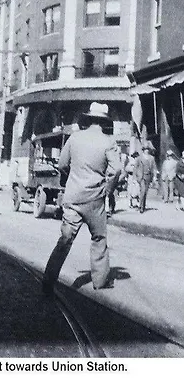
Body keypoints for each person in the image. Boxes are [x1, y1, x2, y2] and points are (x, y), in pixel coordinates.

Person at [42, 102, 121, 294]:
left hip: (73, 198)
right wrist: (108, 189)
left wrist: (73, 178)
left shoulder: (75, 138)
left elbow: (62, 164)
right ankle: (100, 281)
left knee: (65, 239)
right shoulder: (109, 142)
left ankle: (48, 281)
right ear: (104, 121)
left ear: (89, 118)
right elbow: (117, 169)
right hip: (95, 199)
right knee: (99, 238)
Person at [134, 143, 158, 213]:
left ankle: (143, 206)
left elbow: (154, 168)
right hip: (141, 176)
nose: (146, 151)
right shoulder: (139, 158)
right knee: (143, 190)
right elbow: (135, 168)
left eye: (147, 149)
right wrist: (134, 178)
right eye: (145, 149)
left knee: (145, 192)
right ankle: (140, 206)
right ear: (143, 150)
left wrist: (155, 176)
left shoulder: (151, 158)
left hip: (148, 176)